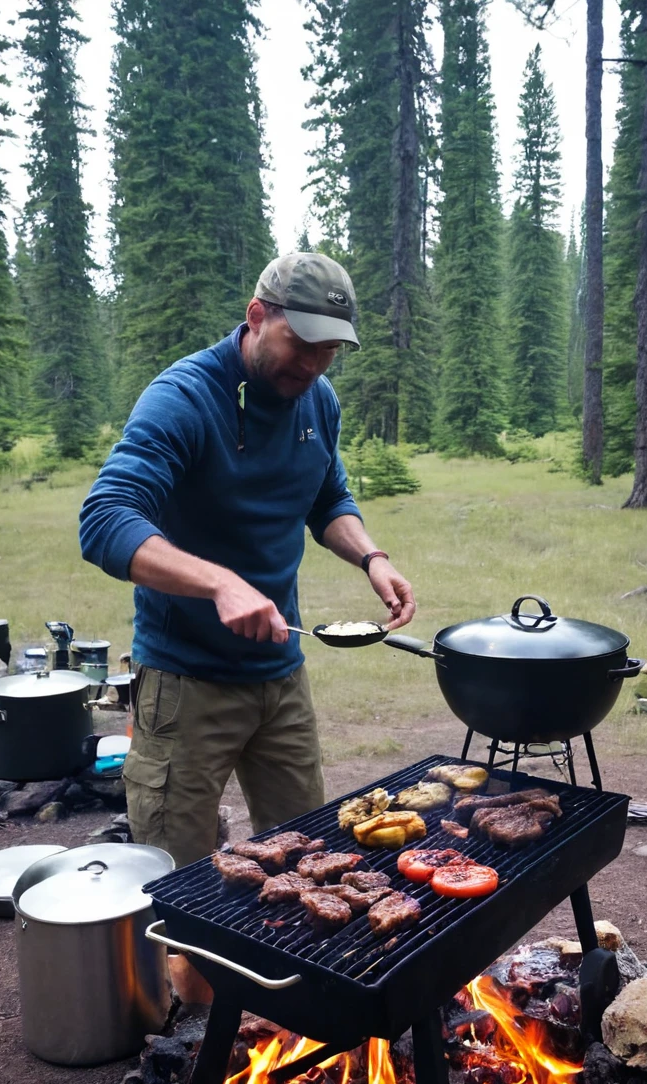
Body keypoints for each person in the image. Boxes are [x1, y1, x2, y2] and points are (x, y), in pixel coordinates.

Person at [79, 252, 416, 870]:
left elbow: (327, 496)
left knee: (311, 859)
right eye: (302, 344)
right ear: (257, 316)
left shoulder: (318, 401)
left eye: (330, 351)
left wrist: (370, 556)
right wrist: (219, 584)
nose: (313, 365)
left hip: (280, 675)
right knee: (171, 877)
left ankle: (284, 970)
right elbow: (105, 520)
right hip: (186, 682)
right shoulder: (184, 397)